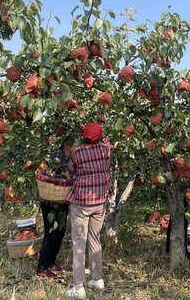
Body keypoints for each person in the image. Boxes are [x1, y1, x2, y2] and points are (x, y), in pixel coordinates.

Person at [65, 123, 113, 299]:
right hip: (99, 201)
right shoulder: (106, 150)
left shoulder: (78, 152)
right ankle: (97, 279)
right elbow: (107, 142)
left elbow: (71, 170)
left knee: (78, 242)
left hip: (81, 202)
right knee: (95, 239)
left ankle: (78, 287)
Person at [36, 135, 78, 278]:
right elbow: (55, 171)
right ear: (67, 143)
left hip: (62, 200)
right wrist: (65, 174)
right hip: (50, 200)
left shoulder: (72, 158)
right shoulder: (57, 154)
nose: (77, 145)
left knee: (60, 231)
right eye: (75, 142)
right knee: (51, 233)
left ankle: (51, 263)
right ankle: (42, 268)